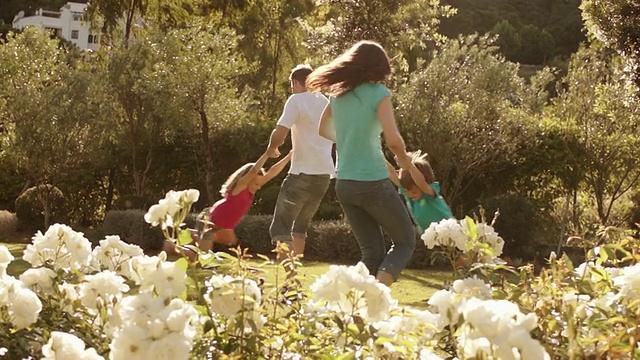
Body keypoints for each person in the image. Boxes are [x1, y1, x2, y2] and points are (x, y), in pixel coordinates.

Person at [306, 40, 421, 286]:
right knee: (405, 241)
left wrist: (350, 138)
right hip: (372, 182)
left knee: (372, 254)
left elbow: (323, 129)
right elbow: (393, 141)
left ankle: (363, 313)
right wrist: (405, 163)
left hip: (344, 183)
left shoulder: (338, 94)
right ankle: (379, 296)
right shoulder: (380, 93)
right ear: (380, 67)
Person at [266, 64, 335, 258]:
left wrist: (272, 148)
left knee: (281, 227)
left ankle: (289, 280)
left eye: (291, 85)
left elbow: (280, 130)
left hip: (301, 173)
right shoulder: (326, 102)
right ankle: (294, 277)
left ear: (296, 82)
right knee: (300, 227)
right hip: (323, 175)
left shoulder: (296, 100)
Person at [171, 151, 293, 259]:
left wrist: (289, 157)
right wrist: (267, 154)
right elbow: (254, 170)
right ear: (248, 179)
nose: (259, 186)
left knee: (230, 241)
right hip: (210, 220)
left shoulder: (251, 189)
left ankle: (194, 235)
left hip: (221, 224)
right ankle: (170, 246)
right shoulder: (240, 187)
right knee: (201, 258)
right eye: (256, 183)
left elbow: (272, 173)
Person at [386, 151, 454, 233]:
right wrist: (377, 155)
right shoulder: (410, 194)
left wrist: (410, 166)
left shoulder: (429, 194)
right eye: (407, 191)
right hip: (433, 237)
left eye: (414, 191)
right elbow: (392, 173)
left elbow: (421, 183)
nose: (410, 194)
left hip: (450, 231)